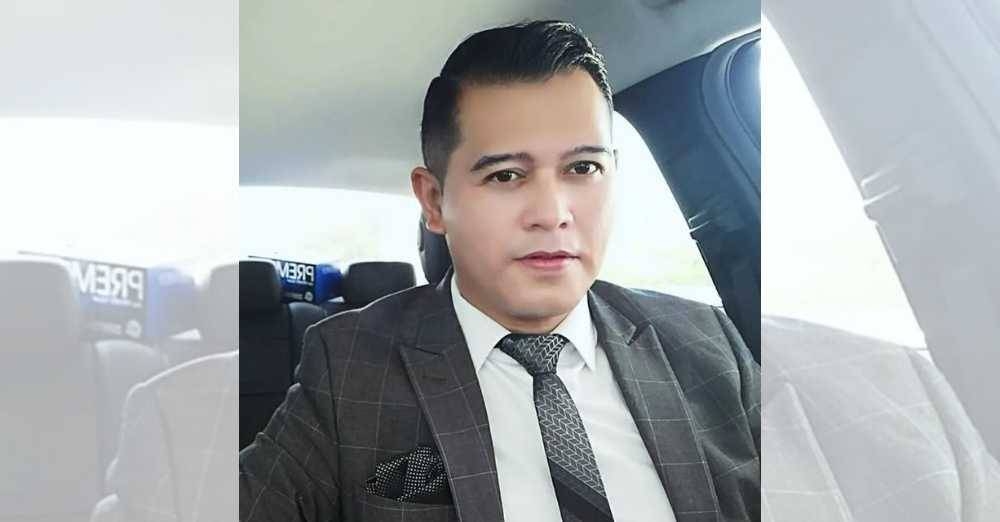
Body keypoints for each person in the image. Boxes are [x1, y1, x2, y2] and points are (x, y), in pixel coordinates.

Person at [240, 20, 760, 522]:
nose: (552, 213)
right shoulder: (350, 364)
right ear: (435, 201)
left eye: (583, 168)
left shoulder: (706, 341)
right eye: (506, 175)